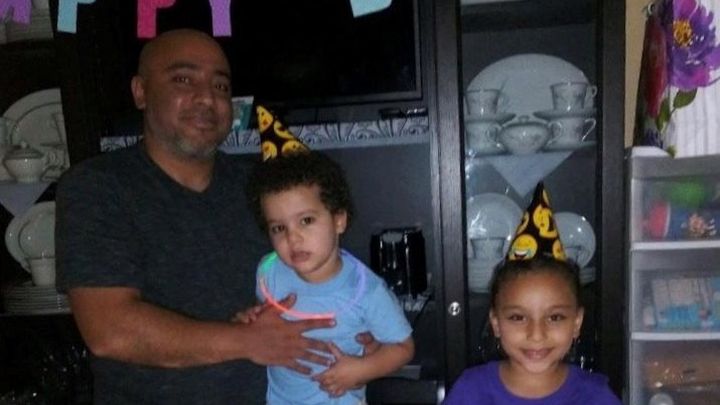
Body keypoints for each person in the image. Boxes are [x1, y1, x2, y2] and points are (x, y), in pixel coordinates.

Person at [55, 29, 354, 404]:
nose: (207, 98)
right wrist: (248, 341)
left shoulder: (261, 186)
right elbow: (111, 331)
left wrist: (356, 332)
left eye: (221, 86)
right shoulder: (98, 187)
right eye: (183, 79)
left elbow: (318, 278)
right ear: (141, 92)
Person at [241, 150, 415, 404]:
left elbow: (403, 348)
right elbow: (263, 319)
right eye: (279, 228)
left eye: (306, 220)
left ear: (338, 220)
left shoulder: (366, 290)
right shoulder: (269, 271)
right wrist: (250, 319)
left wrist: (360, 370)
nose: (293, 238)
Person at [442, 257, 622, 405]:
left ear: (577, 322)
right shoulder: (470, 391)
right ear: (496, 323)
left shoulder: (595, 397)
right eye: (518, 317)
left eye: (555, 317)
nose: (536, 335)